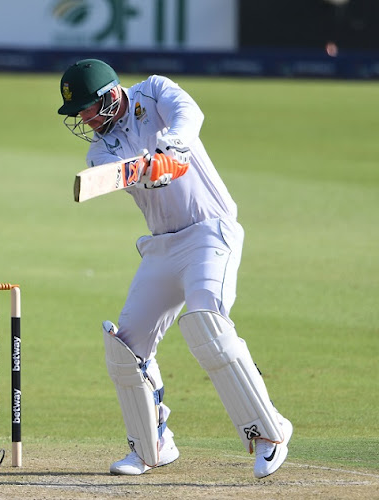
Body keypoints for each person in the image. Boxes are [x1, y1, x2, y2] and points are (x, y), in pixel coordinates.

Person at [57, 59, 292, 479]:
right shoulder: (100, 151)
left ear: (111, 96)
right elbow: (139, 178)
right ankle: (153, 444)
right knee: (126, 347)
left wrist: (174, 145)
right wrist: (154, 169)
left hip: (209, 232)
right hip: (162, 247)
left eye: (89, 109)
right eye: (79, 114)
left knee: (207, 323)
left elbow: (190, 114)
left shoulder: (154, 90)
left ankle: (269, 432)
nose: (85, 120)